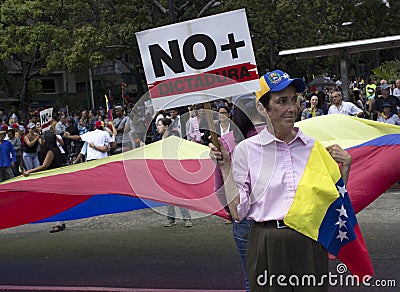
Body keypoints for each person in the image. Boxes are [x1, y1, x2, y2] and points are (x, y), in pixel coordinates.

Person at [216, 70, 353, 291]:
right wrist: (225, 168)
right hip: (266, 243)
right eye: (281, 101)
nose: (292, 108)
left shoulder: (313, 147)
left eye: (294, 100)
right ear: (262, 108)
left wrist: (345, 167)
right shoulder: (246, 151)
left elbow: (332, 201)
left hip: (309, 241)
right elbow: (238, 212)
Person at [210, 93, 267, 292]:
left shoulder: (225, 142)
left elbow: (219, 187)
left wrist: (232, 212)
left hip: (243, 216)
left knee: (251, 277)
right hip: (276, 216)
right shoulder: (275, 134)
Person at [23, 132, 64, 233]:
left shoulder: (51, 151)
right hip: (56, 177)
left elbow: (45, 165)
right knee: (56, 201)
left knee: (55, 202)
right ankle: (60, 222)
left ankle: (58, 224)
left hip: (54, 179)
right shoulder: (56, 149)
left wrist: (30, 171)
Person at [157, 117, 192, 228]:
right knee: (167, 195)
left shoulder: (173, 137)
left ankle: (186, 218)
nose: (157, 127)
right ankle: (170, 218)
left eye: (160, 125)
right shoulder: (159, 138)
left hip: (174, 168)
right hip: (164, 169)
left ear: (166, 126)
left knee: (179, 193)